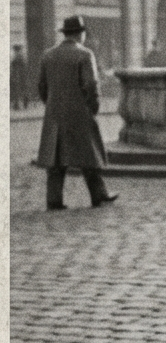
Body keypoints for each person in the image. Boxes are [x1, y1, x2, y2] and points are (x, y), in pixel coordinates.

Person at [37, 16, 118, 210]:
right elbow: (91, 84)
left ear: (65, 34)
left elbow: (41, 85)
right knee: (89, 155)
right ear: (80, 34)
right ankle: (99, 195)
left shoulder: (48, 55)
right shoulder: (85, 54)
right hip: (79, 111)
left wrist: (51, 103)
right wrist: (93, 106)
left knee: (55, 159)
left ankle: (54, 200)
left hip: (55, 112)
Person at [12, 45, 30, 110]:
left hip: (20, 76)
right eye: (16, 51)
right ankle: (18, 104)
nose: (16, 52)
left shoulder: (19, 58)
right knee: (19, 90)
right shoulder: (20, 57)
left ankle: (23, 103)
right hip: (19, 76)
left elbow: (23, 68)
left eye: (17, 50)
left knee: (21, 90)